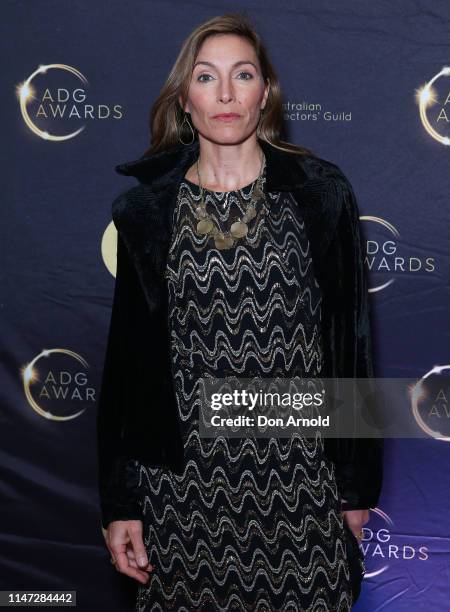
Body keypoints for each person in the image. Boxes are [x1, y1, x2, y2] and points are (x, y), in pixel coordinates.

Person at [97, 12, 383, 611]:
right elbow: (128, 366)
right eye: (206, 77)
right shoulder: (146, 211)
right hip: (180, 489)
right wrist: (121, 502)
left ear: (265, 93)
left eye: (242, 74)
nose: (225, 93)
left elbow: (350, 345)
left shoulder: (319, 193)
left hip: (300, 480)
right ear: (185, 100)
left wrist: (354, 487)